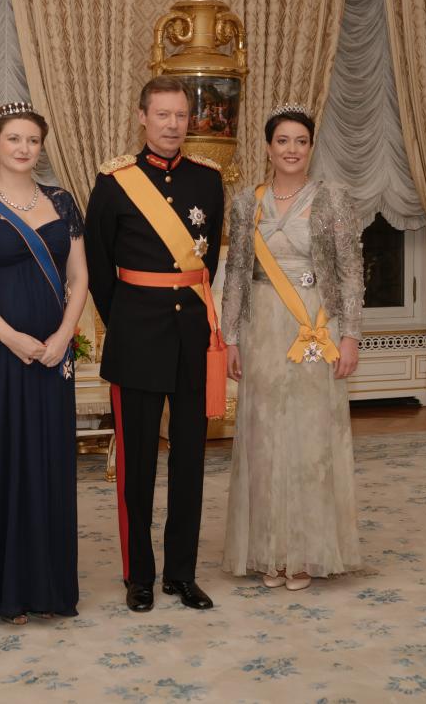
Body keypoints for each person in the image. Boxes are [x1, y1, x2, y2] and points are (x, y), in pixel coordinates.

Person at [84, 76, 225, 613]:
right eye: (162, 114)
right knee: (136, 465)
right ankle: (138, 575)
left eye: (181, 115)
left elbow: (206, 263)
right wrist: (126, 320)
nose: (172, 124)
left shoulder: (209, 181)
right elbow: (99, 265)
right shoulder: (115, 180)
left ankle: (181, 573)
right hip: (137, 335)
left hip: (192, 337)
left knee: (190, 461)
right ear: (141, 117)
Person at [0, 102, 87, 625]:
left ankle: (43, 587)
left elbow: (80, 278)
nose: (24, 148)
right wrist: (13, 339)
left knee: (44, 461)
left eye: (32, 140)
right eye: (14, 139)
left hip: (50, 353)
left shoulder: (63, 203)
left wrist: (62, 336)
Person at [220, 104, 363, 592]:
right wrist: (231, 336)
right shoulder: (246, 203)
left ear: (310, 146)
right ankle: (267, 551)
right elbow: (236, 270)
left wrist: (350, 335)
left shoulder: (332, 199)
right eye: (283, 141)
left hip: (312, 325)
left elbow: (350, 271)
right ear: (268, 147)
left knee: (308, 437)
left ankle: (304, 551)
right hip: (261, 327)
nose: (292, 150)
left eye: (300, 141)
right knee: (263, 437)